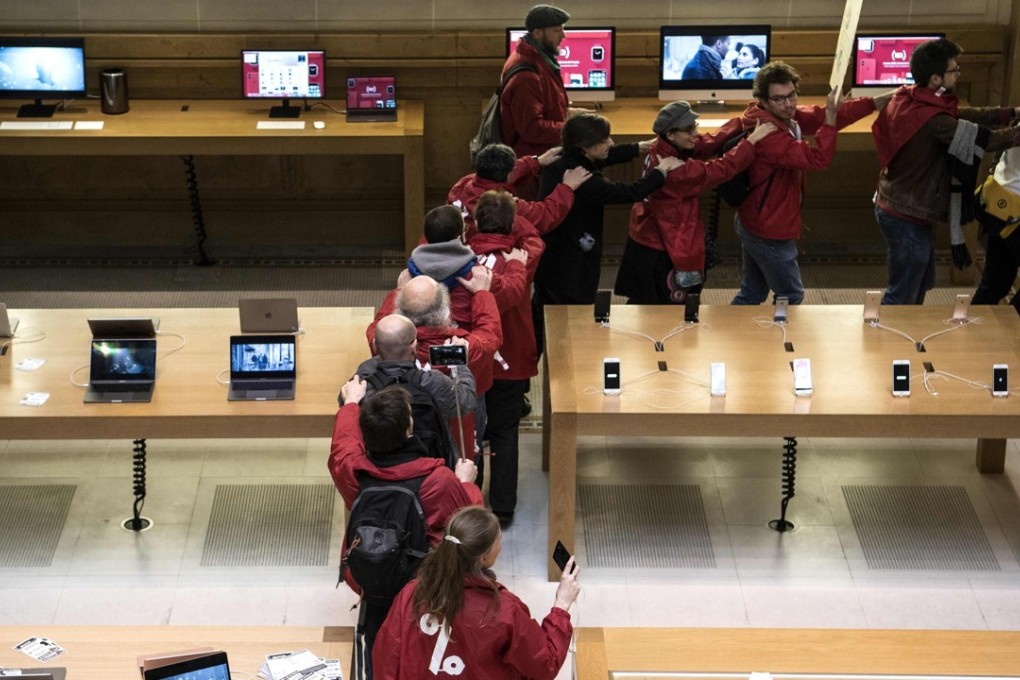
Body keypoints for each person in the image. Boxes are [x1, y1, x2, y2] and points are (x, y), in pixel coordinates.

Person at [329, 379, 483, 679]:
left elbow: (342, 446)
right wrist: (465, 482)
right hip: (422, 584)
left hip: (369, 581)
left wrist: (350, 405)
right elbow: (469, 520)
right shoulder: (438, 480)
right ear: (408, 430)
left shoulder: (353, 472)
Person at [872, 38, 1020, 305]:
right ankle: (888, 342)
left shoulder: (911, 97)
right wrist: (1017, 133)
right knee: (903, 292)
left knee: (921, 282)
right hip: (905, 214)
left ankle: (907, 333)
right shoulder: (934, 120)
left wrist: (1008, 113)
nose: (959, 74)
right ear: (936, 78)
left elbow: (962, 115)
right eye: (954, 70)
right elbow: (981, 139)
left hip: (900, 206)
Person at [731, 61, 887, 306]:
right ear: (763, 100)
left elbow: (825, 115)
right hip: (768, 229)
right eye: (779, 99)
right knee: (791, 296)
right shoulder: (768, 133)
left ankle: (744, 342)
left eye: (792, 95)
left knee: (752, 292)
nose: (789, 104)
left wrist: (882, 100)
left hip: (757, 220)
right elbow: (817, 159)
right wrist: (831, 118)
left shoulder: (782, 117)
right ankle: (777, 341)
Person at [532, 113, 683, 352]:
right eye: (605, 139)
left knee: (540, 318)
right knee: (571, 322)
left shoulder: (562, 159)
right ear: (585, 145)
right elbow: (629, 192)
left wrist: (637, 148)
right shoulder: (585, 181)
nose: (611, 143)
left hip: (549, 260)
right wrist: (661, 171)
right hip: (572, 268)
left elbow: (602, 158)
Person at [373, 506, 580, 679]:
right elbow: (544, 664)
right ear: (484, 557)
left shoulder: (412, 593)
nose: (501, 543)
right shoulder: (503, 610)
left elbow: (386, 658)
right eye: (499, 539)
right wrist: (561, 606)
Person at [615, 101, 775, 304]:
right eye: (689, 129)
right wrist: (751, 142)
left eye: (694, 126)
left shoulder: (661, 147)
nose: (695, 134)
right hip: (667, 248)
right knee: (672, 307)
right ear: (671, 134)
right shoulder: (677, 171)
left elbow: (705, 142)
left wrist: (742, 122)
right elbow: (721, 169)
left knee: (645, 302)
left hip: (646, 236)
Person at [468, 191, 545, 527]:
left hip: (475, 358)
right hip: (512, 357)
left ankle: (471, 500)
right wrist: (514, 214)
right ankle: (503, 507)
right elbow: (532, 234)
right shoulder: (523, 255)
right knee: (505, 431)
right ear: (512, 224)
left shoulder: (462, 258)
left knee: (472, 431)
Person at [345, 313, 479, 458]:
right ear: (414, 346)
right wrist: (460, 362)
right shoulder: (434, 382)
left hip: (376, 464)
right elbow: (466, 402)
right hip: (431, 465)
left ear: (374, 346)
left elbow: (346, 409)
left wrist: (387, 348)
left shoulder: (362, 383)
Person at [448, 142, 591, 238]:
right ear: (510, 173)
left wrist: (536, 161)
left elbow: (514, 170)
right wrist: (567, 187)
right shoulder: (502, 205)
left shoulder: (464, 182)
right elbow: (545, 215)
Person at [500, 4, 571, 158]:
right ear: (537, 33)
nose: (563, 35)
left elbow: (545, 105)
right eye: (557, 30)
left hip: (541, 155)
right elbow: (532, 128)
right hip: (534, 164)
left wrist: (570, 114)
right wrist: (573, 129)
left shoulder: (537, 58)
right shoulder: (527, 75)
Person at [972, 147, 1020, 314]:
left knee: (995, 282)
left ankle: (972, 332)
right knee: (996, 282)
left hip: (1001, 203)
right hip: (1013, 210)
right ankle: (1009, 329)